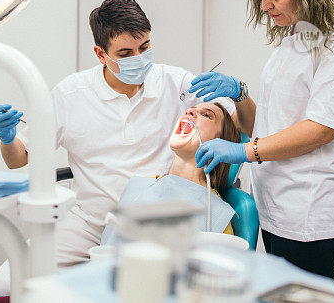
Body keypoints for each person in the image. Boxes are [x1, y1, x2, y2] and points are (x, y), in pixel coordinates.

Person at [0, 0, 235, 295]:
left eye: (144, 48)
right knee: (2, 285)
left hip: (149, 226)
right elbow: (18, 159)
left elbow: (229, 123)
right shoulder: (71, 94)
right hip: (88, 223)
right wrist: (7, 137)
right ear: (101, 54)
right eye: (126, 53)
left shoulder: (176, 83)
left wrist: (237, 92)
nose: (140, 59)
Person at [190, 0, 334, 279]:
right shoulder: (295, 40)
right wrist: (239, 93)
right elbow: (270, 127)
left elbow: (319, 131)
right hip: (274, 205)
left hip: (306, 212)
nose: (264, 4)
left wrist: (242, 151)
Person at [99, 101, 243, 245]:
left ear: (222, 143)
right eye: (190, 110)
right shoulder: (137, 185)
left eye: (206, 115)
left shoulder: (217, 214)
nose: (189, 113)